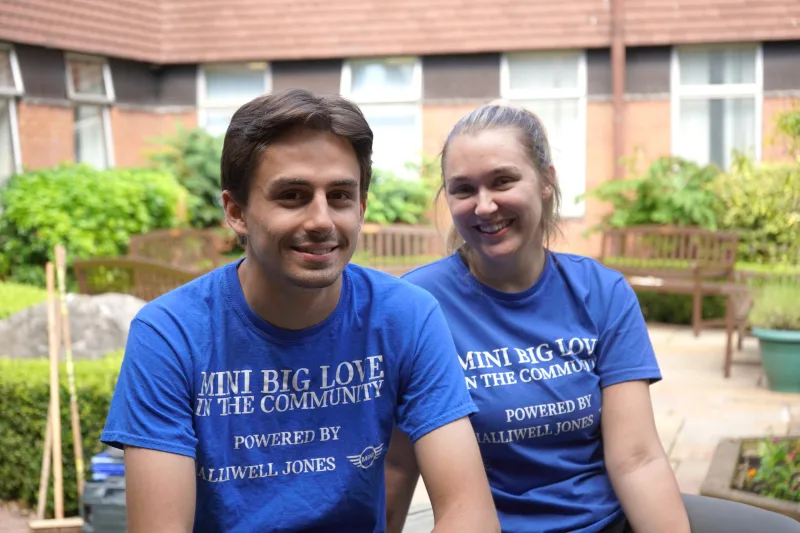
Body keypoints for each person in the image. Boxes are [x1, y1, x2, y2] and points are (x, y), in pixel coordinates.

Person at [384, 101, 800, 533]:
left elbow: (636, 458)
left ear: (546, 181)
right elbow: (396, 465)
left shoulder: (601, 293)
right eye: (463, 189)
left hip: (609, 519)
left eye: (502, 181)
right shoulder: (418, 305)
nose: (484, 206)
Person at [100, 88, 500, 533]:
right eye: (292, 195)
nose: (321, 220)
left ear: (361, 207)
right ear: (236, 212)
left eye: (341, 196)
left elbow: (470, 514)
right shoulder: (170, 335)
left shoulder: (407, 317)